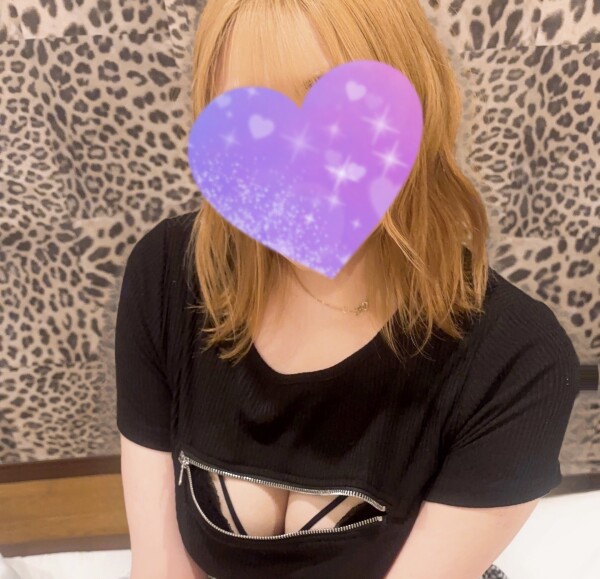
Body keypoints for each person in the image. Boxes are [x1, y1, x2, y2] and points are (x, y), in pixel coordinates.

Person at [115, 1, 581, 578]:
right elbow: (158, 565)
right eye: (254, 116)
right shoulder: (168, 275)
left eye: (330, 106)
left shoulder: (518, 361)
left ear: (417, 97)